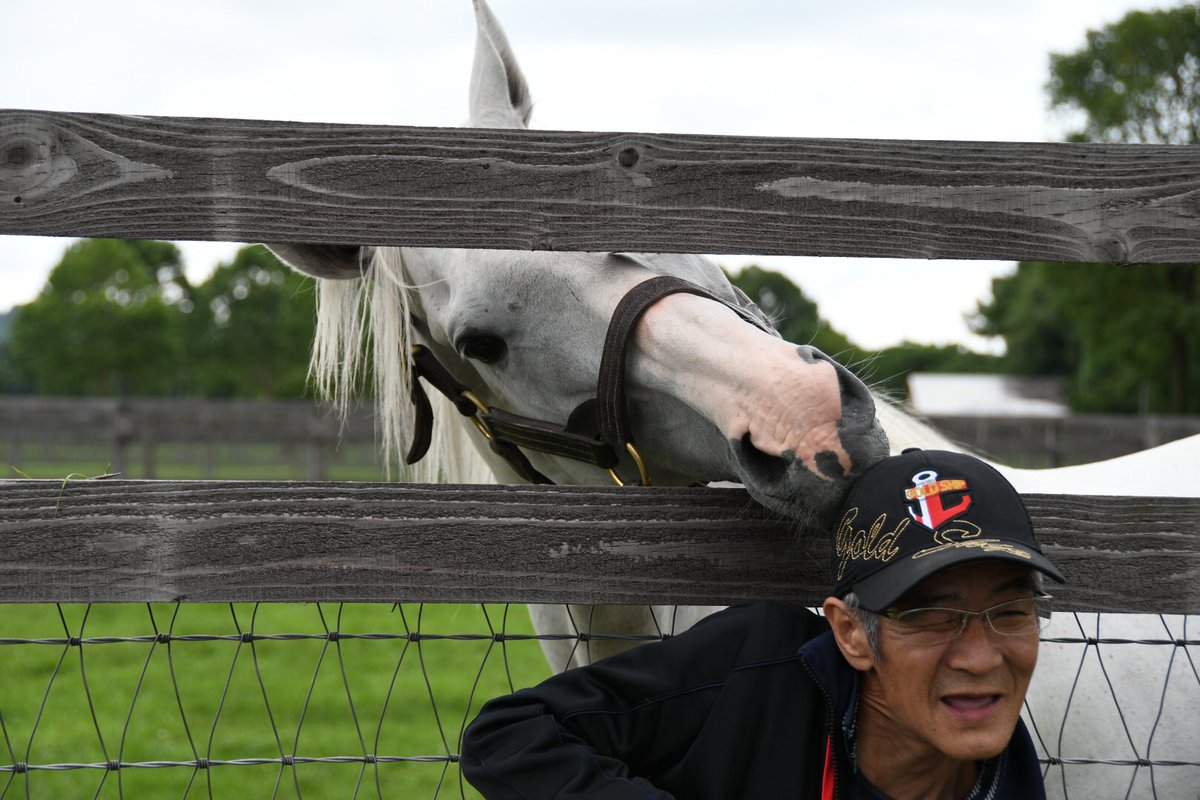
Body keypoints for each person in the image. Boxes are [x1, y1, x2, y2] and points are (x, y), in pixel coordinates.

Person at [461, 449, 1065, 799]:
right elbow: (509, 733)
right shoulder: (761, 664)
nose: (982, 658)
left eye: (1010, 611)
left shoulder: (1007, 784)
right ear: (851, 633)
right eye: (931, 616)